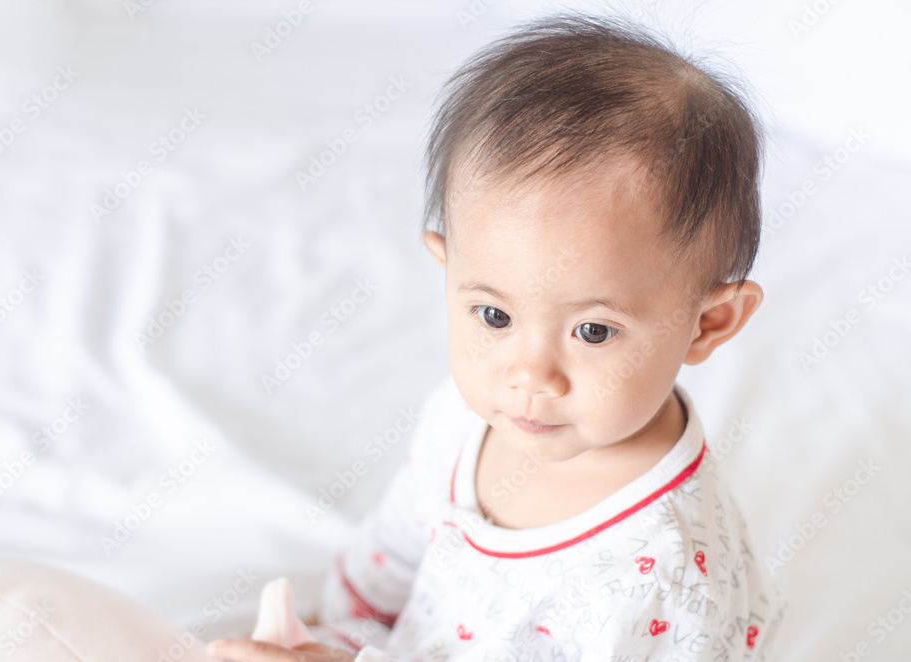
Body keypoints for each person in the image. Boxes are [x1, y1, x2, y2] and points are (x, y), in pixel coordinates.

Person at [207, 11, 786, 662]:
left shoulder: (669, 576)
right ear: (448, 269)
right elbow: (388, 560)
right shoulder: (468, 414)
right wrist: (323, 635)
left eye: (593, 330)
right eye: (494, 317)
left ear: (708, 323)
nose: (529, 373)